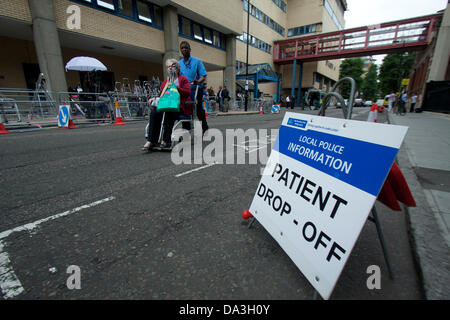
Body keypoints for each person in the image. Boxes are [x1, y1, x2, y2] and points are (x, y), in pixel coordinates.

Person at [141, 59, 191, 151]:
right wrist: (154, 98)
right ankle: (151, 140)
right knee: (154, 112)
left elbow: (187, 92)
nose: (170, 68)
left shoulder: (183, 79)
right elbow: (162, 95)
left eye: (173, 66)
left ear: (177, 69)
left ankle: (166, 140)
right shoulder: (165, 82)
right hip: (166, 105)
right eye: (168, 67)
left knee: (169, 113)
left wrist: (175, 87)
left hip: (178, 106)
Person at [178, 41, 208, 134]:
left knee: (198, 109)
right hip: (184, 90)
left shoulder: (197, 61)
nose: (184, 49)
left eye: (186, 48)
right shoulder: (179, 63)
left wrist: (197, 82)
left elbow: (203, 75)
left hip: (196, 88)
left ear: (190, 49)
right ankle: (186, 128)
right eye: (182, 48)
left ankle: (205, 127)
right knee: (184, 107)